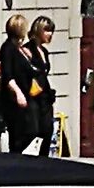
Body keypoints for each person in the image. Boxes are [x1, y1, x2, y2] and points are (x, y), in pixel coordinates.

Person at [0, 14, 30, 152]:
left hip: (14, 101)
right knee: (10, 136)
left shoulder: (17, 49)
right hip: (8, 103)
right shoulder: (8, 49)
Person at [22, 16, 61, 154]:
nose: (50, 34)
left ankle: (44, 160)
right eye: (47, 30)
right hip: (33, 96)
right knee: (33, 131)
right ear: (38, 30)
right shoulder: (27, 50)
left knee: (48, 130)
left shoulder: (44, 51)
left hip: (45, 96)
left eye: (51, 31)